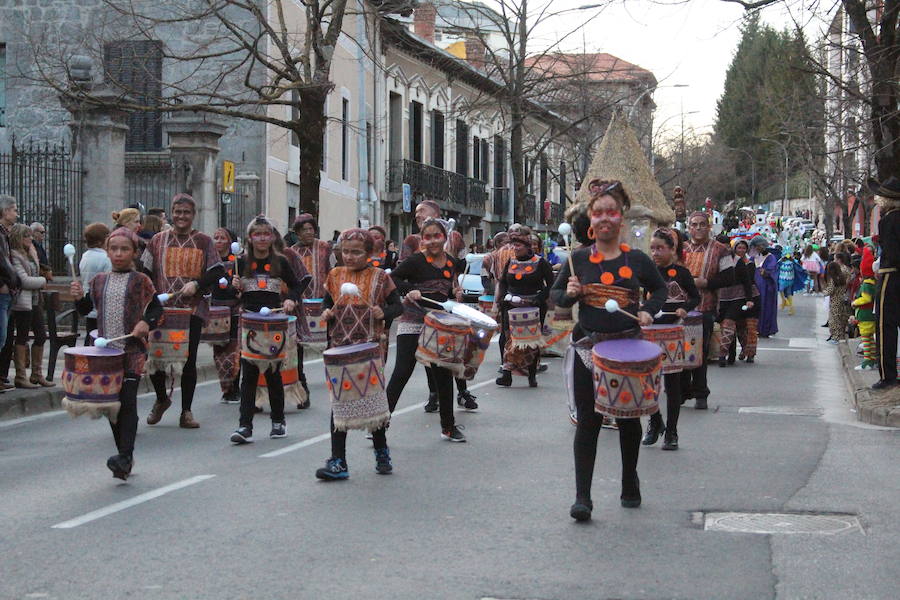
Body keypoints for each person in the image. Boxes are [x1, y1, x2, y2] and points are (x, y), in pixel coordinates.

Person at [550, 179, 667, 521]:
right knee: (589, 423)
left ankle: (629, 479)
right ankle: (582, 497)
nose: (604, 218)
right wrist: (569, 294)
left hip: (627, 347)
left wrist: (649, 310)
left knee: (629, 422)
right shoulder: (578, 260)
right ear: (590, 218)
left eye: (611, 212)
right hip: (588, 346)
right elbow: (555, 300)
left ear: (621, 218)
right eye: (597, 212)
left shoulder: (638, 260)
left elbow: (658, 291)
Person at [70, 227, 162, 480]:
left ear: (133, 253)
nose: (119, 254)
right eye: (114, 249)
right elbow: (86, 309)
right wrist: (78, 298)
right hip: (106, 353)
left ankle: (124, 455)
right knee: (112, 406)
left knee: (127, 401)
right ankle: (125, 457)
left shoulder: (141, 281)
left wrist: (146, 322)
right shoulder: (98, 281)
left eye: (124, 249)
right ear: (107, 251)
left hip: (131, 350)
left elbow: (156, 309)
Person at [315, 228, 403, 480]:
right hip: (339, 346)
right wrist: (326, 312)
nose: (350, 257)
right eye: (346, 252)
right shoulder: (334, 275)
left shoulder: (380, 277)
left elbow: (398, 306)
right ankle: (338, 460)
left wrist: (383, 313)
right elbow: (327, 302)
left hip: (370, 347)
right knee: (339, 402)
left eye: (356, 252)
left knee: (372, 400)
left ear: (369, 253)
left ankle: (381, 451)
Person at [142, 194, 224, 429]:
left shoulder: (204, 241)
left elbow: (217, 270)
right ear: (171, 213)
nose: (181, 216)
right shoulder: (157, 240)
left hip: (192, 310)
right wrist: (149, 298)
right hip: (162, 309)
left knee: (188, 361)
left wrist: (197, 284)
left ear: (193, 215)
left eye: (186, 212)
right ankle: (161, 399)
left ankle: (186, 411)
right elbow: (143, 271)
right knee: (156, 359)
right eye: (177, 212)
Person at [387, 217, 467, 442]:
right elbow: (393, 279)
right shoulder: (414, 261)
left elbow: (447, 294)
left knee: (443, 372)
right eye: (427, 236)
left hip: (439, 324)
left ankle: (448, 427)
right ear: (422, 239)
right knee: (402, 371)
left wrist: (454, 295)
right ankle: (381, 423)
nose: (432, 241)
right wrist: (409, 290)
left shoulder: (451, 263)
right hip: (413, 321)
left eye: (436, 236)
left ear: (444, 238)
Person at [230, 216, 307, 444]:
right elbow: (233, 297)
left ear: (272, 237)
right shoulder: (241, 262)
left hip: (273, 323)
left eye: (266, 234)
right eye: (257, 234)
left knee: (273, 375)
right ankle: (245, 426)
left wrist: (291, 300)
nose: (262, 238)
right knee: (249, 376)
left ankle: (278, 421)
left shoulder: (280, 262)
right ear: (250, 238)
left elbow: (297, 285)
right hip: (250, 324)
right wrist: (236, 288)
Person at [643, 227, 699, 450]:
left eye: (660, 248)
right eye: (653, 249)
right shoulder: (647, 273)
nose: (655, 253)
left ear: (671, 249)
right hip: (649, 332)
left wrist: (685, 309)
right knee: (647, 382)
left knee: (672, 385)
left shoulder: (682, 273)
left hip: (673, 332)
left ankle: (672, 432)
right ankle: (655, 422)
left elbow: (695, 296)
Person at [681, 211, 734, 409]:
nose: (698, 228)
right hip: (682, 309)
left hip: (705, 308)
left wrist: (707, 282)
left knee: (699, 351)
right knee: (680, 351)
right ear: (689, 227)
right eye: (694, 224)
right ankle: (682, 391)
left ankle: (701, 392)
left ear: (709, 226)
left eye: (702, 224)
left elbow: (729, 277)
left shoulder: (720, 250)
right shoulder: (681, 249)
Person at [495, 227, 554, 387]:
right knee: (509, 339)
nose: (515, 249)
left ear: (528, 247)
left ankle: (531, 374)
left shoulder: (540, 263)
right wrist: (502, 298)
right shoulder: (511, 262)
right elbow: (503, 282)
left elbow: (551, 284)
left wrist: (538, 298)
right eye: (513, 246)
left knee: (531, 341)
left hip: (534, 307)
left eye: (518, 246)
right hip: (511, 306)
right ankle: (507, 373)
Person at [291, 213, 334, 407]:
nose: (308, 232)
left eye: (310, 229)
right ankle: (300, 385)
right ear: (297, 232)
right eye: (303, 230)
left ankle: (334, 375)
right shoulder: (290, 252)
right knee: (297, 344)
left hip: (323, 301)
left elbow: (333, 270)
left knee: (331, 340)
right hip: (300, 305)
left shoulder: (324, 248)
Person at [8, 224, 52, 388]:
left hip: (35, 300)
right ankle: (20, 376)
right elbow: (23, 280)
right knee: (22, 336)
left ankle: (36, 374)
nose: (31, 238)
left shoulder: (30, 252)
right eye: (27, 236)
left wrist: (36, 260)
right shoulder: (14, 255)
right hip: (23, 302)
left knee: (41, 335)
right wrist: (42, 282)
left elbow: (36, 271)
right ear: (20, 237)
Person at [211, 227, 242, 403]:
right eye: (215, 237)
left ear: (230, 242)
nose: (218, 241)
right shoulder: (210, 262)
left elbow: (244, 283)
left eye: (222, 238)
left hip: (235, 311)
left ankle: (234, 388)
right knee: (220, 352)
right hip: (216, 313)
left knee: (234, 351)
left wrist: (238, 287)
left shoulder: (237, 261)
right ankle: (226, 388)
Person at [716, 240, 754, 367]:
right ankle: (730, 353)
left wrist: (749, 299)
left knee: (729, 323)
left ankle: (722, 354)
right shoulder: (715, 260)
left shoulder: (738, 261)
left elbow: (747, 282)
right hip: (721, 299)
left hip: (737, 298)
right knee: (725, 326)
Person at [79, 223, 112, 345]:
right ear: (100, 241)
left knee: (90, 336)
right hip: (100, 306)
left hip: (88, 302)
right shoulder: (105, 258)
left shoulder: (85, 256)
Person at [0, 196, 20, 392]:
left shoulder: (5, 234)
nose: (16, 213)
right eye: (14, 210)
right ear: (5, 211)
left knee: (3, 337)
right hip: (2, 291)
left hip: (7, 291)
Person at [731, 240, 761, 363]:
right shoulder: (730, 263)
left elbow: (748, 282)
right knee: (739, 327)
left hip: (752, 297)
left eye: (744, 248)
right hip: (737, 298)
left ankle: (751, 353)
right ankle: (744, 349)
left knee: (751, 327)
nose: (741, 250)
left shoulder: (750, 264)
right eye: (739, 248)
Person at [851, 247, 878, 370]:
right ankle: (872, 359)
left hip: (866, 315)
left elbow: (866, 298)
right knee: (870, 340)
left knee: (866, 339)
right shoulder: (873, 283)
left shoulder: (867, 284)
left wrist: (855, 302)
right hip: (869, 314)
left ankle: (868, 361)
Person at [751, 237, 778, 338]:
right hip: (755, 286)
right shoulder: (753, 257)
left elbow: (773, 270)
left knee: (766, 307)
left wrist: (766, 272)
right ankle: (756, 328)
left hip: (767, 287)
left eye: (759, 246)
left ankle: (766, 329)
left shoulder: (770, 257)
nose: (758, 248)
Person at [823, 261, 850, 344]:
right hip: (841, 298)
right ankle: (840, 336)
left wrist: (824, 292)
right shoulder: (842, 277)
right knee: (840, 318)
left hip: (835, 300)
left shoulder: (833, 279)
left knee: (834, 319)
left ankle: (836, 337)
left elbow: (830, 290)